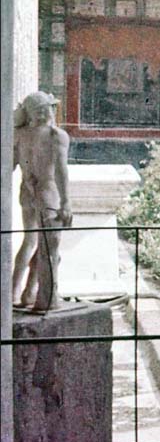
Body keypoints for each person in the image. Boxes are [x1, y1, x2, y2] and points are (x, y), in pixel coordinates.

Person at [11, 91, 71, 312]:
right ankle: (45, 300)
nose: (51, 111)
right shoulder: (56, 135)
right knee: (50, 249)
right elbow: (61, 172)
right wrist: (66, 202)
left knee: (30, 242)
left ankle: (18, 292)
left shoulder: (19, 135)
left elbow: (8, 167)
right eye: (49, 107)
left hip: (26, 193)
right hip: (48, 195)